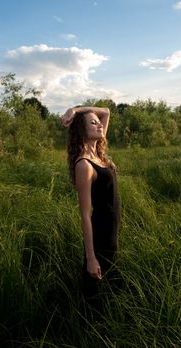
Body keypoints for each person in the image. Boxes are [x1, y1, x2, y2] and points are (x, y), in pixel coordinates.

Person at [60, 106, 120, 304]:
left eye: (98, 122)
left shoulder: (98, 155)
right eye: (93, 123)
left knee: (108, 283)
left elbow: (106, 111)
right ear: (81, 131)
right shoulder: (84, 164)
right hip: (100, 232)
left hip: (112, 229)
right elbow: (85, 214)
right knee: (94, 287)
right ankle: (86, 324)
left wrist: (75, 109)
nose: (99, 124)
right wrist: (91, 258)